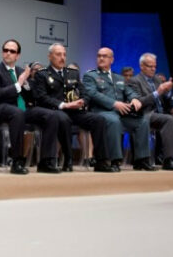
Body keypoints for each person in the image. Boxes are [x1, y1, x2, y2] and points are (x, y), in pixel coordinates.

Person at [32, 43, 117, 172]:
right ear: (50, 56)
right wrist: (64, 105)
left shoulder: (72, 73)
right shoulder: (42, 74)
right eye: (58, 54)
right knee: (63, 118)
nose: (62, 58)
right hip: (54, 111)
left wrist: (83, 101)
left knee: (98, 120)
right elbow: (41, 97)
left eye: (64, 55)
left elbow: (85, 93)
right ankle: (68, 159)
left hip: (74, 111)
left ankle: (102, 161)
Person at [0, 39, 62, 174]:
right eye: (5, 50)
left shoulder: (22, 71)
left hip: (22, 110)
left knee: (52, 115)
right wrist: (18, 84)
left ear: (17, 55)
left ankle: (46, 161)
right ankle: (17, 161)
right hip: (0, 108)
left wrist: (26, 84)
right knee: (17, 113)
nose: (8, 53)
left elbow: (33, 96)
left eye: (12, 51)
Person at [83, 48, 156, 171]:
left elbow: (129, 91)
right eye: (99, 56)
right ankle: (114, 160)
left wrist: (135, 99)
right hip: (100, 112)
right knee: (114, 121)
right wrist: (114, 103)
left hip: (120, 113)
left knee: (142, 121)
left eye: (105, 56)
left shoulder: (119, 78)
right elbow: (92, 94)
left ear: (112, 60)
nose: (101, 58)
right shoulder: (90, 75)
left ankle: (141, 160)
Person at [130, 52, 173, 171]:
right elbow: (139, 102)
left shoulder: (157, 80)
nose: (153, 69)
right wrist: (158, 92)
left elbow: (165, 99)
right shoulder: (134, 81)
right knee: (168, 119)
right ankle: (169, 159)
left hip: (162, 113)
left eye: (155, 66)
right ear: (142, 66)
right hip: (146, 114)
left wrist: (171, 102)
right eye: (150, 66)